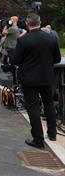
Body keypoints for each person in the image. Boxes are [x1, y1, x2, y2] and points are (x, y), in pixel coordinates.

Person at [12, 13, 61, 149]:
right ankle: (52, 133)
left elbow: (16, 60)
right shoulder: (51, 38)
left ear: (27, 23)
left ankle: (38, 138)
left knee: (33, 107)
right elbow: (56, 59)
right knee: (49, 104)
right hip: (47, 77)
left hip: (30, 78)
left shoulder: (24, 40)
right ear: (40, 22)